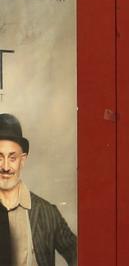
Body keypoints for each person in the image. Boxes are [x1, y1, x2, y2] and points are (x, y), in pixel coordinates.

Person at [0, 114, 77, 266]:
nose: (6, 167)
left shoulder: (47, 212)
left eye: (12, 158)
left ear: (23, 160)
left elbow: (80, 254)